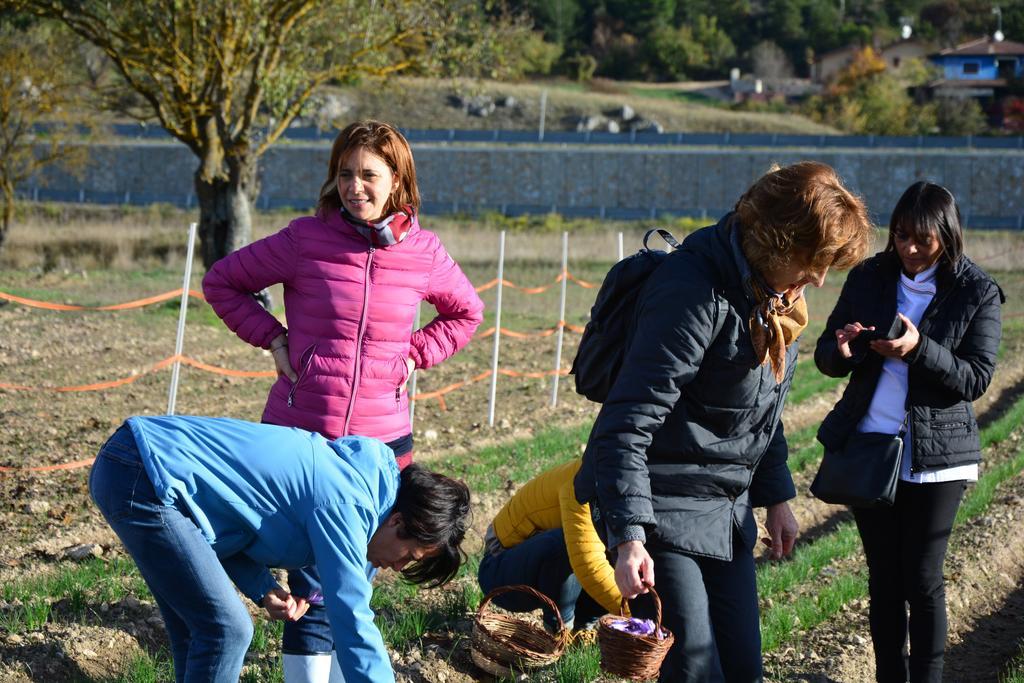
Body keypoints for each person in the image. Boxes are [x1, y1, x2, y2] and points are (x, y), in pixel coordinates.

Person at [202, 120, 484, 680]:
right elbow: (222, 281)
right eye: (346, 174)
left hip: (382, 443)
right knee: (310, 575)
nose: (356, 187)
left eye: (370, 175)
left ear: (398, 181)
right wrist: (273, 338)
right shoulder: (305, 240)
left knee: (348, 579)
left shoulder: (424, 253)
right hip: (302, 432)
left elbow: (467, 312)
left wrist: (417, 352)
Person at [574, 161, 874, 682]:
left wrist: (776, 497)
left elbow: (763, 412)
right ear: (775, 242)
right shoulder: (691, 293)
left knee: (742, 670)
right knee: (693, 668)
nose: (819, 279)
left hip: (725, 510)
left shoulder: (775, 302)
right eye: (812, 261)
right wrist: (629, 537)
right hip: (660, 503)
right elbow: (625, 424)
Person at [89, 415, 470, 683]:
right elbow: (351, 617)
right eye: (409, 556)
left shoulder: (361, 491)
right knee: (226, 629)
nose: (398, 567)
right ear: (399, 521)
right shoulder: (347, 502)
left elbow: (225, 519)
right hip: (143, 473)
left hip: (142, 468)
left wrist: (261, 585)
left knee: (198, 631)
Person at [814, 181, 1003, 682]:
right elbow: (826, 354)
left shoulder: (976, 290)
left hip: (937, 458)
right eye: (901, 237)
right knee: (884, 581)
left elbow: (976, 378)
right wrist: (844, 349)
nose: (910, 249)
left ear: (947, 235)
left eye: (922, 239)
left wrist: (919, 350)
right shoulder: (869, 277)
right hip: (871, 448)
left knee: (921, 580)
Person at [478, 459, 621, 635]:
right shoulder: (583, 482)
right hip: (501, 569)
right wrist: (638, 611)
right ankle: (559, 630)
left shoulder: (630, 490)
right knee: (565, 544)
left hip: (546, 569)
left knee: (626, 549)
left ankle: (582, 626)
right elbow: (589, 563)